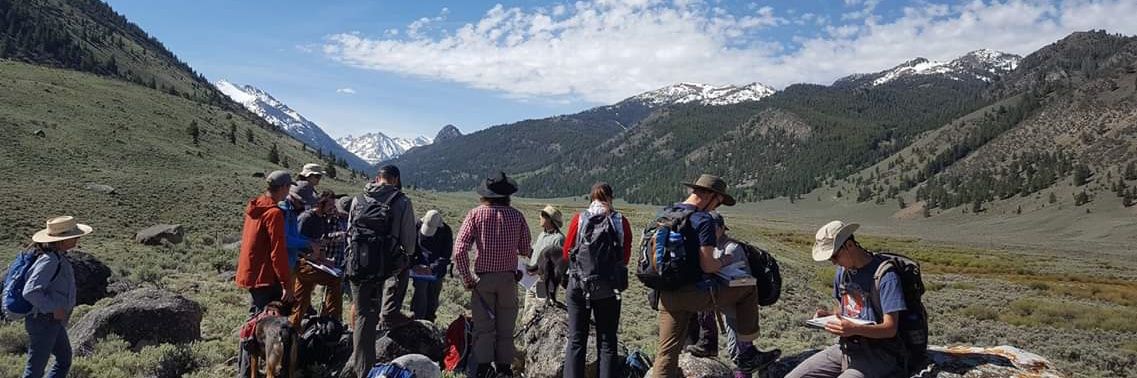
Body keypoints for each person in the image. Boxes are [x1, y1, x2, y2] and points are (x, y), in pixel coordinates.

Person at [651, 174, 761, 378]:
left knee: (666, 353)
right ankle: (747, 352)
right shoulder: (703, 220)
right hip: (694, 294)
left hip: (666, 293)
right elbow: (708, 265)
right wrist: (725, 261)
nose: (716, 208)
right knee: (749, 287)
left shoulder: (666, 213)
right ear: (710, 195)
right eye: (718, 202)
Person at [784, 221, 908, 378]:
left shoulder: (885, 275)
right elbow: (845, 310)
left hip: (879, 355)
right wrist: (828, 317)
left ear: (849, 245)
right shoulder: (842, 273)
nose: (834, 262)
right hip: (845, 349)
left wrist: (854, 329)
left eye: (835, 256)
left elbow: (890, 328)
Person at [452, 172, 532, 378]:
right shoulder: (517, 216)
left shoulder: (475, 214)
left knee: (483, 329)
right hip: (508, 280)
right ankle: (504, 370)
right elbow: (525, 249)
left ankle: (483, 369)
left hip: (483, 280)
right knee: (506, 328)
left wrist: (468, 279)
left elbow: (459, 249)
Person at [345, 165, 417, 378]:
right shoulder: (401, 201)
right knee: (368, 317)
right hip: (384, 266)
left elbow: (350, 232)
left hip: (358, 263)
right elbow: (409, 243)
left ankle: (360, 363)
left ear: (378, 178)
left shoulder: (359, 198)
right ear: (395, 179)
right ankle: (364, 370)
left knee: (363, 315)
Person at [560, 183, 632, 378]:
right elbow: (624, 256)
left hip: (579, 285)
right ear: (611, 198)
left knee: (576, 339)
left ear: (590, 198)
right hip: (609, 287)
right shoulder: (620, 221)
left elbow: (567, 252)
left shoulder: (579, 219)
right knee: (607, 342)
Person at [235, 170, 295, 377]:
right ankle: (257, 372)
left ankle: (245, 371)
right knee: (266, 327)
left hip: (252, 274)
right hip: (265, 276)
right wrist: (287, 284)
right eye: (289, 187)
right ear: (284, 187)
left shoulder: (256, 207)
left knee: (252, 325)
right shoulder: (274, 213)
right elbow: (277, 252)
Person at [708, 212, 781, 377]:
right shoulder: (715, 246)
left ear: (720, 228)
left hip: (738, 304)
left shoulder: (732, 248)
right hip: (728, 304)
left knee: (741, 350)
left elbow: (744, 279)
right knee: (737, 348)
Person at [20, 216, 92, 378]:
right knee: (35, 370)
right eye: (74, 235)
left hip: (52, 321)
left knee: (64, 360)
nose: (77, 238)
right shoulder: (50, 260)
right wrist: (53, 307)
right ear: (62, 240)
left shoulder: (57, 256)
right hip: (43, 321)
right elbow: (30, 291)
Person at [291, 191, 344, 327]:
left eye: (334, 204)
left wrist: (325, 260)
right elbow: (296, 242)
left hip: (313, 262)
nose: (332, 207)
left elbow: (321, 243)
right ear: (321, 204)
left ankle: (293, 327)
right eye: (330, 204)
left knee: (301, 300)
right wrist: (311, 255)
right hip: (301, 262)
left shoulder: (323, 219)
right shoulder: (306, 218)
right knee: (335, 280)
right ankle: (330, 320)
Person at [411, 209, 453, 322]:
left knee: (433, 297)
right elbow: (412, 248)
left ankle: (429, 321)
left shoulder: (446, 231)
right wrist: (414, 264)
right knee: (420, 296)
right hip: (419, 269)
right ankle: (418, 321)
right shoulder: (417, 226)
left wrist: (433, 267)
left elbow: (446, 255)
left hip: (437, 270)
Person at [524, 205, 564, 306]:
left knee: (539, 309)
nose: (540, 217)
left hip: (543, 282)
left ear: (550, 220)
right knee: (528, 310)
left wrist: (539, 270)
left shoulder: (558, 239)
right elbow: (536, 255)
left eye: (543, 215)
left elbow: (557, 266)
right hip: (531, 280)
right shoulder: (542, 235)